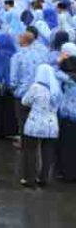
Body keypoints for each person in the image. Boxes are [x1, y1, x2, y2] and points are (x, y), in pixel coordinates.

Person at [20, 64, 60, 187]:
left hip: (34, 124)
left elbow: (25, 101)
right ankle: (44, 178)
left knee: (30, 151)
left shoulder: (36, 87)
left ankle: (29, 178)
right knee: (47, 152)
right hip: (52, 125)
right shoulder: (56, 89)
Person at [56, 42, 76, 181]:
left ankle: (66, 173)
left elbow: (55, 71)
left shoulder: (65, 79)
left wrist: (59, 61)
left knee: (66, 148)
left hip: (68, 117)